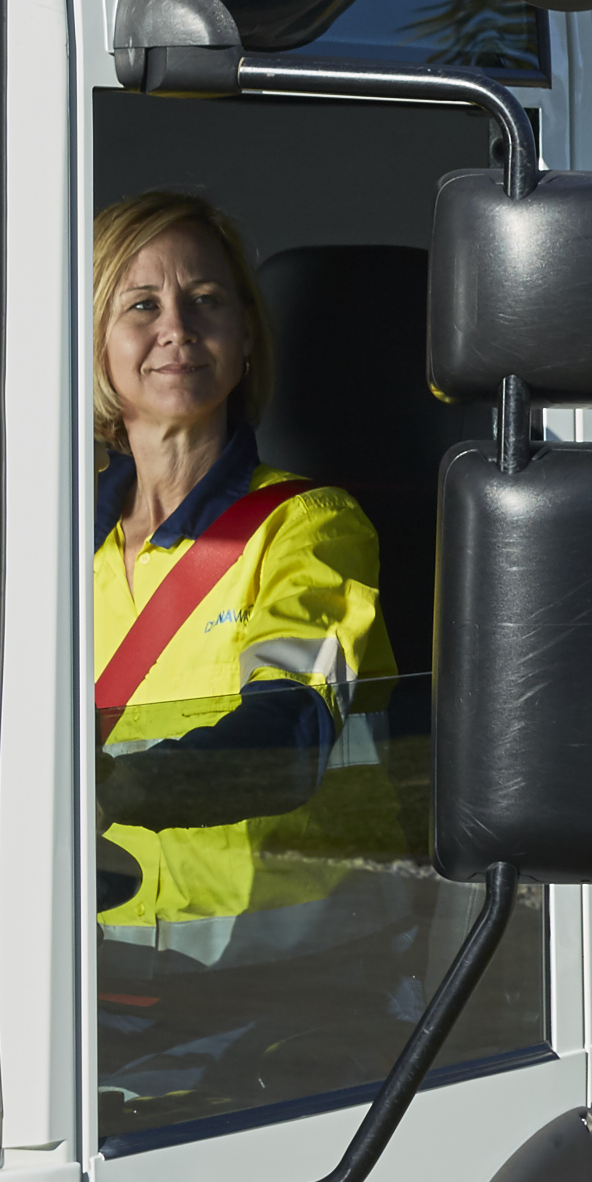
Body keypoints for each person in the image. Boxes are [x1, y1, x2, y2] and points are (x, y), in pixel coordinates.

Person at [90, 192, 389, 926]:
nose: (177, 329)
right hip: (71, 952)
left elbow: (290, 730)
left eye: (205, 299)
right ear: (95, 342)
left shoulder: (311, 527)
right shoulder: (50, 542)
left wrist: (102, 789)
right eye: (140, 306)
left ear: (246, 336)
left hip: (251, 976)